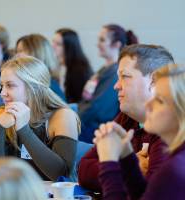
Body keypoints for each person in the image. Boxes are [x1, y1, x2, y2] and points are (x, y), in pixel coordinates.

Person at [78, 44, 174, 192]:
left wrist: (112, 164)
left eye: (125, 76)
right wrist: (130, 167)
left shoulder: (170, 127)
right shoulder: (127, 118)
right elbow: (83, 170)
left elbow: (150, 190)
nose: (116, 86)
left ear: (154, 80)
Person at [95, 64, 185, 199]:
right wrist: (126, 157)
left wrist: (109, 162)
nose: (148, 104)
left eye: (159, 100)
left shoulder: (173, 171)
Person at [0, 56, 80, 181]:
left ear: (33, 87)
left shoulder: (62, 116)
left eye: (10, 85)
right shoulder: (3, 115)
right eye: (2, 85)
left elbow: (60, 175)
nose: (2, 93)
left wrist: (23, 129)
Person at [78, 24, 138, 143]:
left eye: (102, 40)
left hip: (96, 130)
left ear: (116, 44)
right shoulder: (104, 69)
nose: (97, 44)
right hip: (87, 124)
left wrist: (74, 118)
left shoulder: (115, 73)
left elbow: (100, 110)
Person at [16, 33, 66, 101]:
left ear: (36, 53)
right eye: (17, 51)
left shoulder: (48, 88)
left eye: (21, 51)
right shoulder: (25, 80)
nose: (17, 56)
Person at [52, 28, 93, 103]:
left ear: (69, 47)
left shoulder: (80, 70)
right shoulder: (59, 66)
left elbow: (77, 100)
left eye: (58, 44)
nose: (52, 46)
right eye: (53, 42)